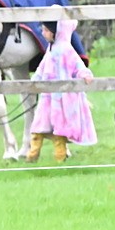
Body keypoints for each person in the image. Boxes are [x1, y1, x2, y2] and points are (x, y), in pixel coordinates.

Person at [26, 16, 95, 162]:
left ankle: (60, 158)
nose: (43, 33)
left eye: (46, 30)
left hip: (62, 98)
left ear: (54, 32)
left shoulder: (66, 50)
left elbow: (77, 65)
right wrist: (35, 81)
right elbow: (41, 68)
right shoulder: (51, 49)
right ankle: (32, 157)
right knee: (38, 128)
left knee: (59, 131)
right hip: (48, 97)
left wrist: (85, 74)